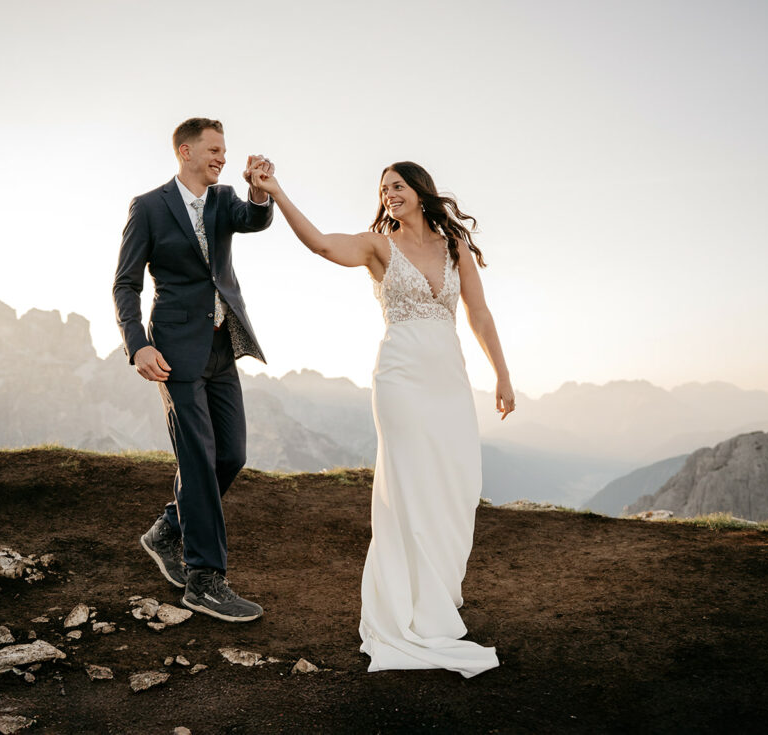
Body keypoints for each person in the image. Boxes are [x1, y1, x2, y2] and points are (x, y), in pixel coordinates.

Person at [250, 161, 514, 677]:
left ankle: (437, 594)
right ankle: (406, 609)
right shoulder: (378, 246)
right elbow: (324, 244)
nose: (390, 194)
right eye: (383, 189)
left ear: (420, 192)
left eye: (398, 186)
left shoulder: (452, 247)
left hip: (450, 381)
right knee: (411, 486)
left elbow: (479, 314)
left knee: (456, 485)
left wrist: (502, 376)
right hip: (400, 380)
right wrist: (276, 191)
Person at [113, 117, 274, 622]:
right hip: (174, 352)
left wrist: (260, 192)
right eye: (214, 149)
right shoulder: (149, 207)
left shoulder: (225, 198)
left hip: (222, 347)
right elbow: (126, 284)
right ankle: (204, 580)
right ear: (185, 151)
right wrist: (136, 345)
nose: (222, 157)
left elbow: (255, 220)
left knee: (232, 454)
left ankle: (167, 529)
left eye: (224, 150)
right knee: (200, 459)